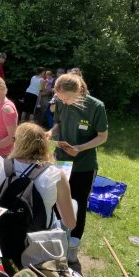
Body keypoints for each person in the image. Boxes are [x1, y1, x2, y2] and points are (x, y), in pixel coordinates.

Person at [0, 122, 77, 266]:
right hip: (37, 241)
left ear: (16, 142)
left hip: (3, 236)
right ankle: (65, 257)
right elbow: (70, 223)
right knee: (73, 205)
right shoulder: (56, 175)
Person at [46, 73, 108, 243]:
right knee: (57, 197)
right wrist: (50, 133)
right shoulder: (60, 101)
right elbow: (58, 124)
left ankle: (74, 240)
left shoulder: (96, 106)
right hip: (62, 160)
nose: (63, 102)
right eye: (60, 98)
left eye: (66, 98)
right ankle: (57, 233)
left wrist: (80, 148)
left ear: (79, 91)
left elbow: (102, 136)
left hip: (84, 164)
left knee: (78, 202)